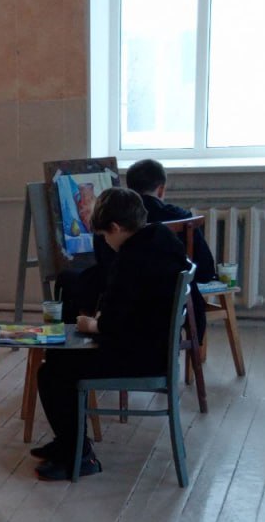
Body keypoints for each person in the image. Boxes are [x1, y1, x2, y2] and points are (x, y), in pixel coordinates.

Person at [34, 187, 190, 482]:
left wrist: (90, 325)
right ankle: (69, 442)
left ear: (116, 228)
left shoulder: (132, 258)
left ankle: (79, 455)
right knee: (57, 361)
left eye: (105, 235)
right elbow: (129, 310)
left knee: (52, 371)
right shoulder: (162, 241)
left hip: (139, 357)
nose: (105, 241)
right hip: (154, 349)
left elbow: (112, 324)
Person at [58, 158, 217, 342]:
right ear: (161, 189)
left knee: (70, 279)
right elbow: (206, 271)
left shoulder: (111, 217)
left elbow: (105, 268)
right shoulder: (177, 220)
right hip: (178, 309)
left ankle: (69, 340)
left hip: (129, 317)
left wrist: (97, 322)